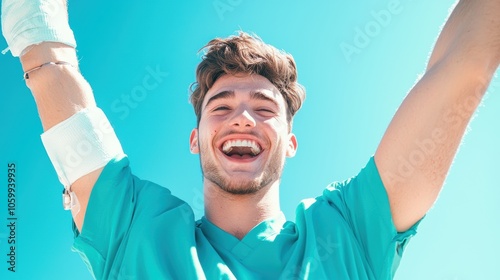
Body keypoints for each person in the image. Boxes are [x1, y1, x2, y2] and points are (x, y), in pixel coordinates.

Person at [2, 0, 499, 279]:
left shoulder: (348, 234)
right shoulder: (136, 231)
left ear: (290, 143)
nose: (242, 116)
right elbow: (50, 67)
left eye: (264, 108)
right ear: (196, 140)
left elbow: (463, 70)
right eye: (221, 106)